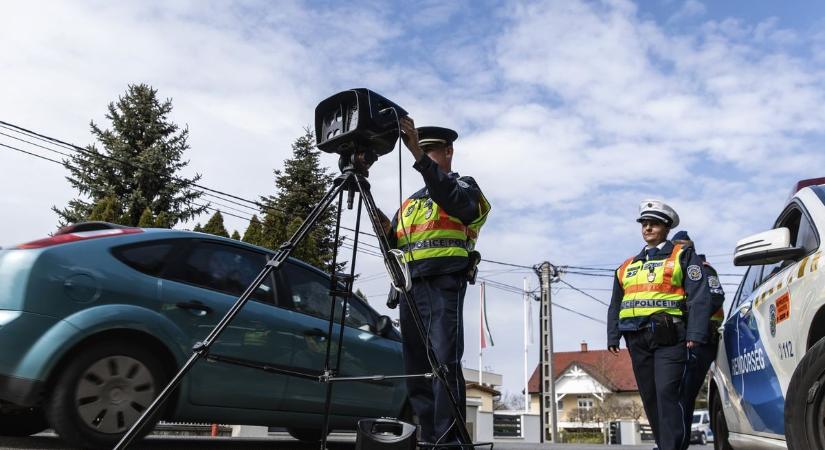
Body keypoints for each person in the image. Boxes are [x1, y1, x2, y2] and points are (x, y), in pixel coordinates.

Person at [380, 116, 490, 446]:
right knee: (415, 369)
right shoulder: (410, 203)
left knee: (443, 364)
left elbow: (456, 202)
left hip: (444, 283)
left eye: (429, 152)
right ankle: (427, 437)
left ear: (448, 152)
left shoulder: (466, 187)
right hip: (410, 288)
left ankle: (448, 440)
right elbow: (395, 245)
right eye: (419, 150)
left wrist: (415, 152)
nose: (422, 157)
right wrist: (384, 227)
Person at [607, 200, 713, 450]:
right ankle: (664, 444)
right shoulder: (627, 265)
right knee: (650, 396)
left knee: (668, 393)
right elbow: (616, 302)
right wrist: (613, 335)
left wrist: (696, 333)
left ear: (666, 227)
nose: (648, 228)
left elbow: (700, 295)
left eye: (654, 223)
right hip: (635, 337)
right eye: (644, 223)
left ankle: (672, 447)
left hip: (670, 336)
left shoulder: (683, 255)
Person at [671, 230, 725, 449]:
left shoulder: (703, 268)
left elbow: (714, 297)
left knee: (683, 395)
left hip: (700, 339)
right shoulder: (675, 270)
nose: (679, 251)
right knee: (675, 395)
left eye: (683, 247)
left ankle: (676, 445)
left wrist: (690, 320)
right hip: (681, 338)